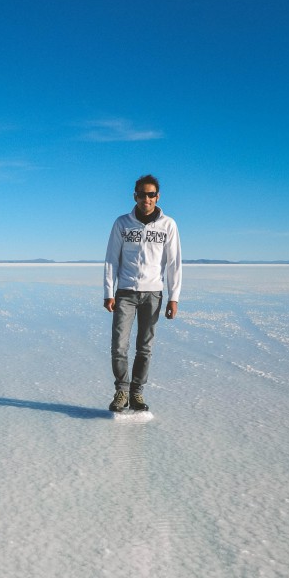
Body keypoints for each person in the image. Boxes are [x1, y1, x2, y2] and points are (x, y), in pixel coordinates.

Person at [103, 174, 182, 412]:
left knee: (145, 347)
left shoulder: (168, 225)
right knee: (119, 345)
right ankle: (122, 392)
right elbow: (111, 260)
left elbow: (173, 263)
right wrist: (109, 291)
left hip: (153, 294)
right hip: (125, 292)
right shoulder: (122, 223)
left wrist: (173, 297)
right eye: (141, 194)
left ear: (157, 197)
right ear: (135, 196)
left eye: (151, 195)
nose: (146, 199)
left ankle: (137, 393)